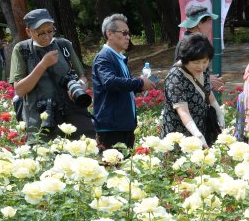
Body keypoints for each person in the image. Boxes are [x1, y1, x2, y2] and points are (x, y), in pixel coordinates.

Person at [10, 8, 94, 143]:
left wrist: (80, 87)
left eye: (50, 31)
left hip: (70, 119)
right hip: (40, 122)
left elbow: (82, 77)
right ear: (29, 32)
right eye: (41, 33)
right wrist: (43, 65)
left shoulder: (64, 45)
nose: (47, 36)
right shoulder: (22, 50)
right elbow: (19, 90)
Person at [92, 13, 156, 149]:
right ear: (110, 34)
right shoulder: (104, 57)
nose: (128, 37)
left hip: (123, 125)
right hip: (111, 128)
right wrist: (139, 82)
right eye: (124, 33)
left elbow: (120, 86)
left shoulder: (118, 57)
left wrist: (141, 85)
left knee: (125, 169)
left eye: (129, 33)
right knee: (113, 169)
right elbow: (110, 82)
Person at [161, 33, 225, 146]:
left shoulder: (204, 70)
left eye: (205, 61)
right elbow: (183, 111)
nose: (201, 66)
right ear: (185, 59)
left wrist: (219, 112)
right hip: (179, 135)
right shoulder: (175, 77)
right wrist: (197, 134)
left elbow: (207, 92)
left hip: (201, 126)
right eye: (196, 62)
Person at [175, 5, 224, 91]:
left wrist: (208, 84)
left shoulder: (194, 41)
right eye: (209, 22)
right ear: (200, 24)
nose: (211, 26)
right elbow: (182, 75)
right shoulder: (188, 43)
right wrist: (207, 80)